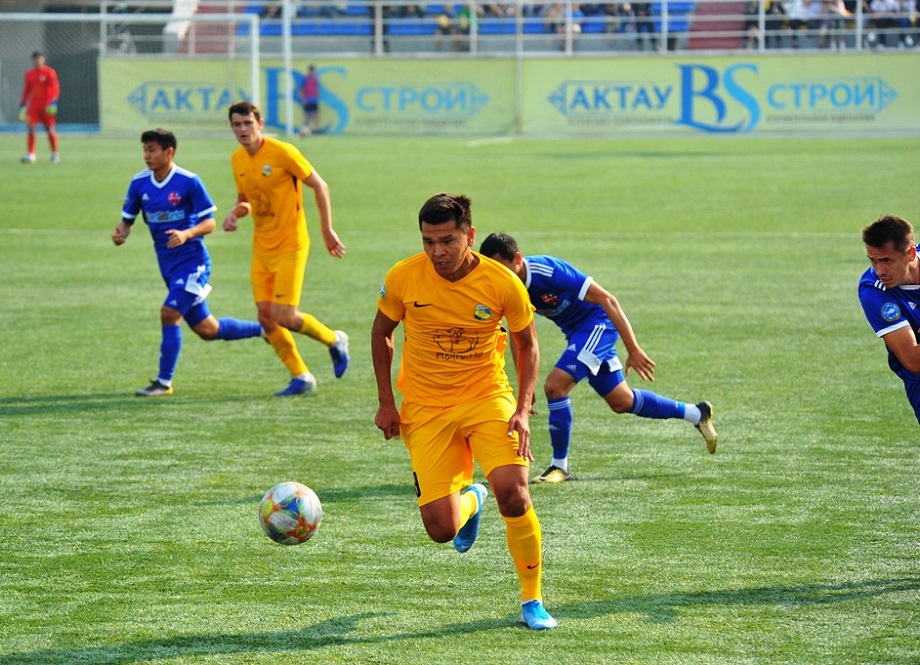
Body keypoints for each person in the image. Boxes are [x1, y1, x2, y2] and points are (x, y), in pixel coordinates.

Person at [371, 193, 557, 631]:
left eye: (447, 241)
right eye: (428, 241)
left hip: (486, 397)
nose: (437, 251)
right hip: (426, 408)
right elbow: (382, 333)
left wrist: (523, 408)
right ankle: (474, 498)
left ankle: (532, 599)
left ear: (469, 236)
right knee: (441, 530)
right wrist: (386, 402)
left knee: (516, 494)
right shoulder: (403, 277)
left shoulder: (502, 283)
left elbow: (527, 345)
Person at [478, 233, 717, 484]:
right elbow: (523, 339)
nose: (498, 276)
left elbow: (607, 299)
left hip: (598, 325)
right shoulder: (508, 286)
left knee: (555, 386)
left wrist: (633, 348)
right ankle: (696, 413)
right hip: (578, 334)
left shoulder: (549, 271)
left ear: (517, 259)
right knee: (621, 401)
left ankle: (559, 466)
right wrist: (526, 388)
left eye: (501, 268)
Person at [113, 128, 264, 397]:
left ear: (169, 152)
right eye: (145, 150)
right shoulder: (139, 183)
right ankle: (265, 330)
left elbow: (209, 222)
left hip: (193, 263)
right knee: (208, 329)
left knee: (169, 313)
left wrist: (186, 233)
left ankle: (163, 383)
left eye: (152, 150)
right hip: (168, 267)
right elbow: (127, 221)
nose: (147, 155)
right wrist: (122, 233)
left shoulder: (189, 181)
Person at [223, 101, 349, 396]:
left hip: (291, 245)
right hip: (261, 247)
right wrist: (235, 213)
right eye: (237, 125)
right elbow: (246, 199)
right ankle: (301, 376)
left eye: (248, 123)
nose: (243, 129)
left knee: (285, 316)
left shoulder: (283, 152)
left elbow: (320, 186)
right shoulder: (237, 159)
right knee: (265, 317)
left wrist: (326, 229)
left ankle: (334, 339)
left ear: (260, 124)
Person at [858, 214, 920, 424]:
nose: (879, 270)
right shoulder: (874, 290)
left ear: (910, 254)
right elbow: (913, 360)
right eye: (873, 260)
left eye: (886, 260)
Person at [19, 51, 60, 164]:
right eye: (35, 59)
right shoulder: (29, 74)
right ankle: (31, 155)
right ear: (32, 60)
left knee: (50, 129)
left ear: (43, 60)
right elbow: (27, 90)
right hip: (34, 106)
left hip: (47, 105)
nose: (37, 61)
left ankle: (54, 154)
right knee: (31, 128)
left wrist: (53, 102)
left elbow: (55, 88)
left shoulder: (49, 72)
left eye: (39, 59)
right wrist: (23, 104)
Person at [298, 65, 321, 138]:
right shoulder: (305, 79)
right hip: (307, 99)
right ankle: (305, 130)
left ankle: (317, 129)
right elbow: (302, 89)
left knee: (316, 114)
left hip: (314, 99)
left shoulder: (315, 79)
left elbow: (317, 88)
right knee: (307, 116)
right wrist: (303, 98)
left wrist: (317, 96)